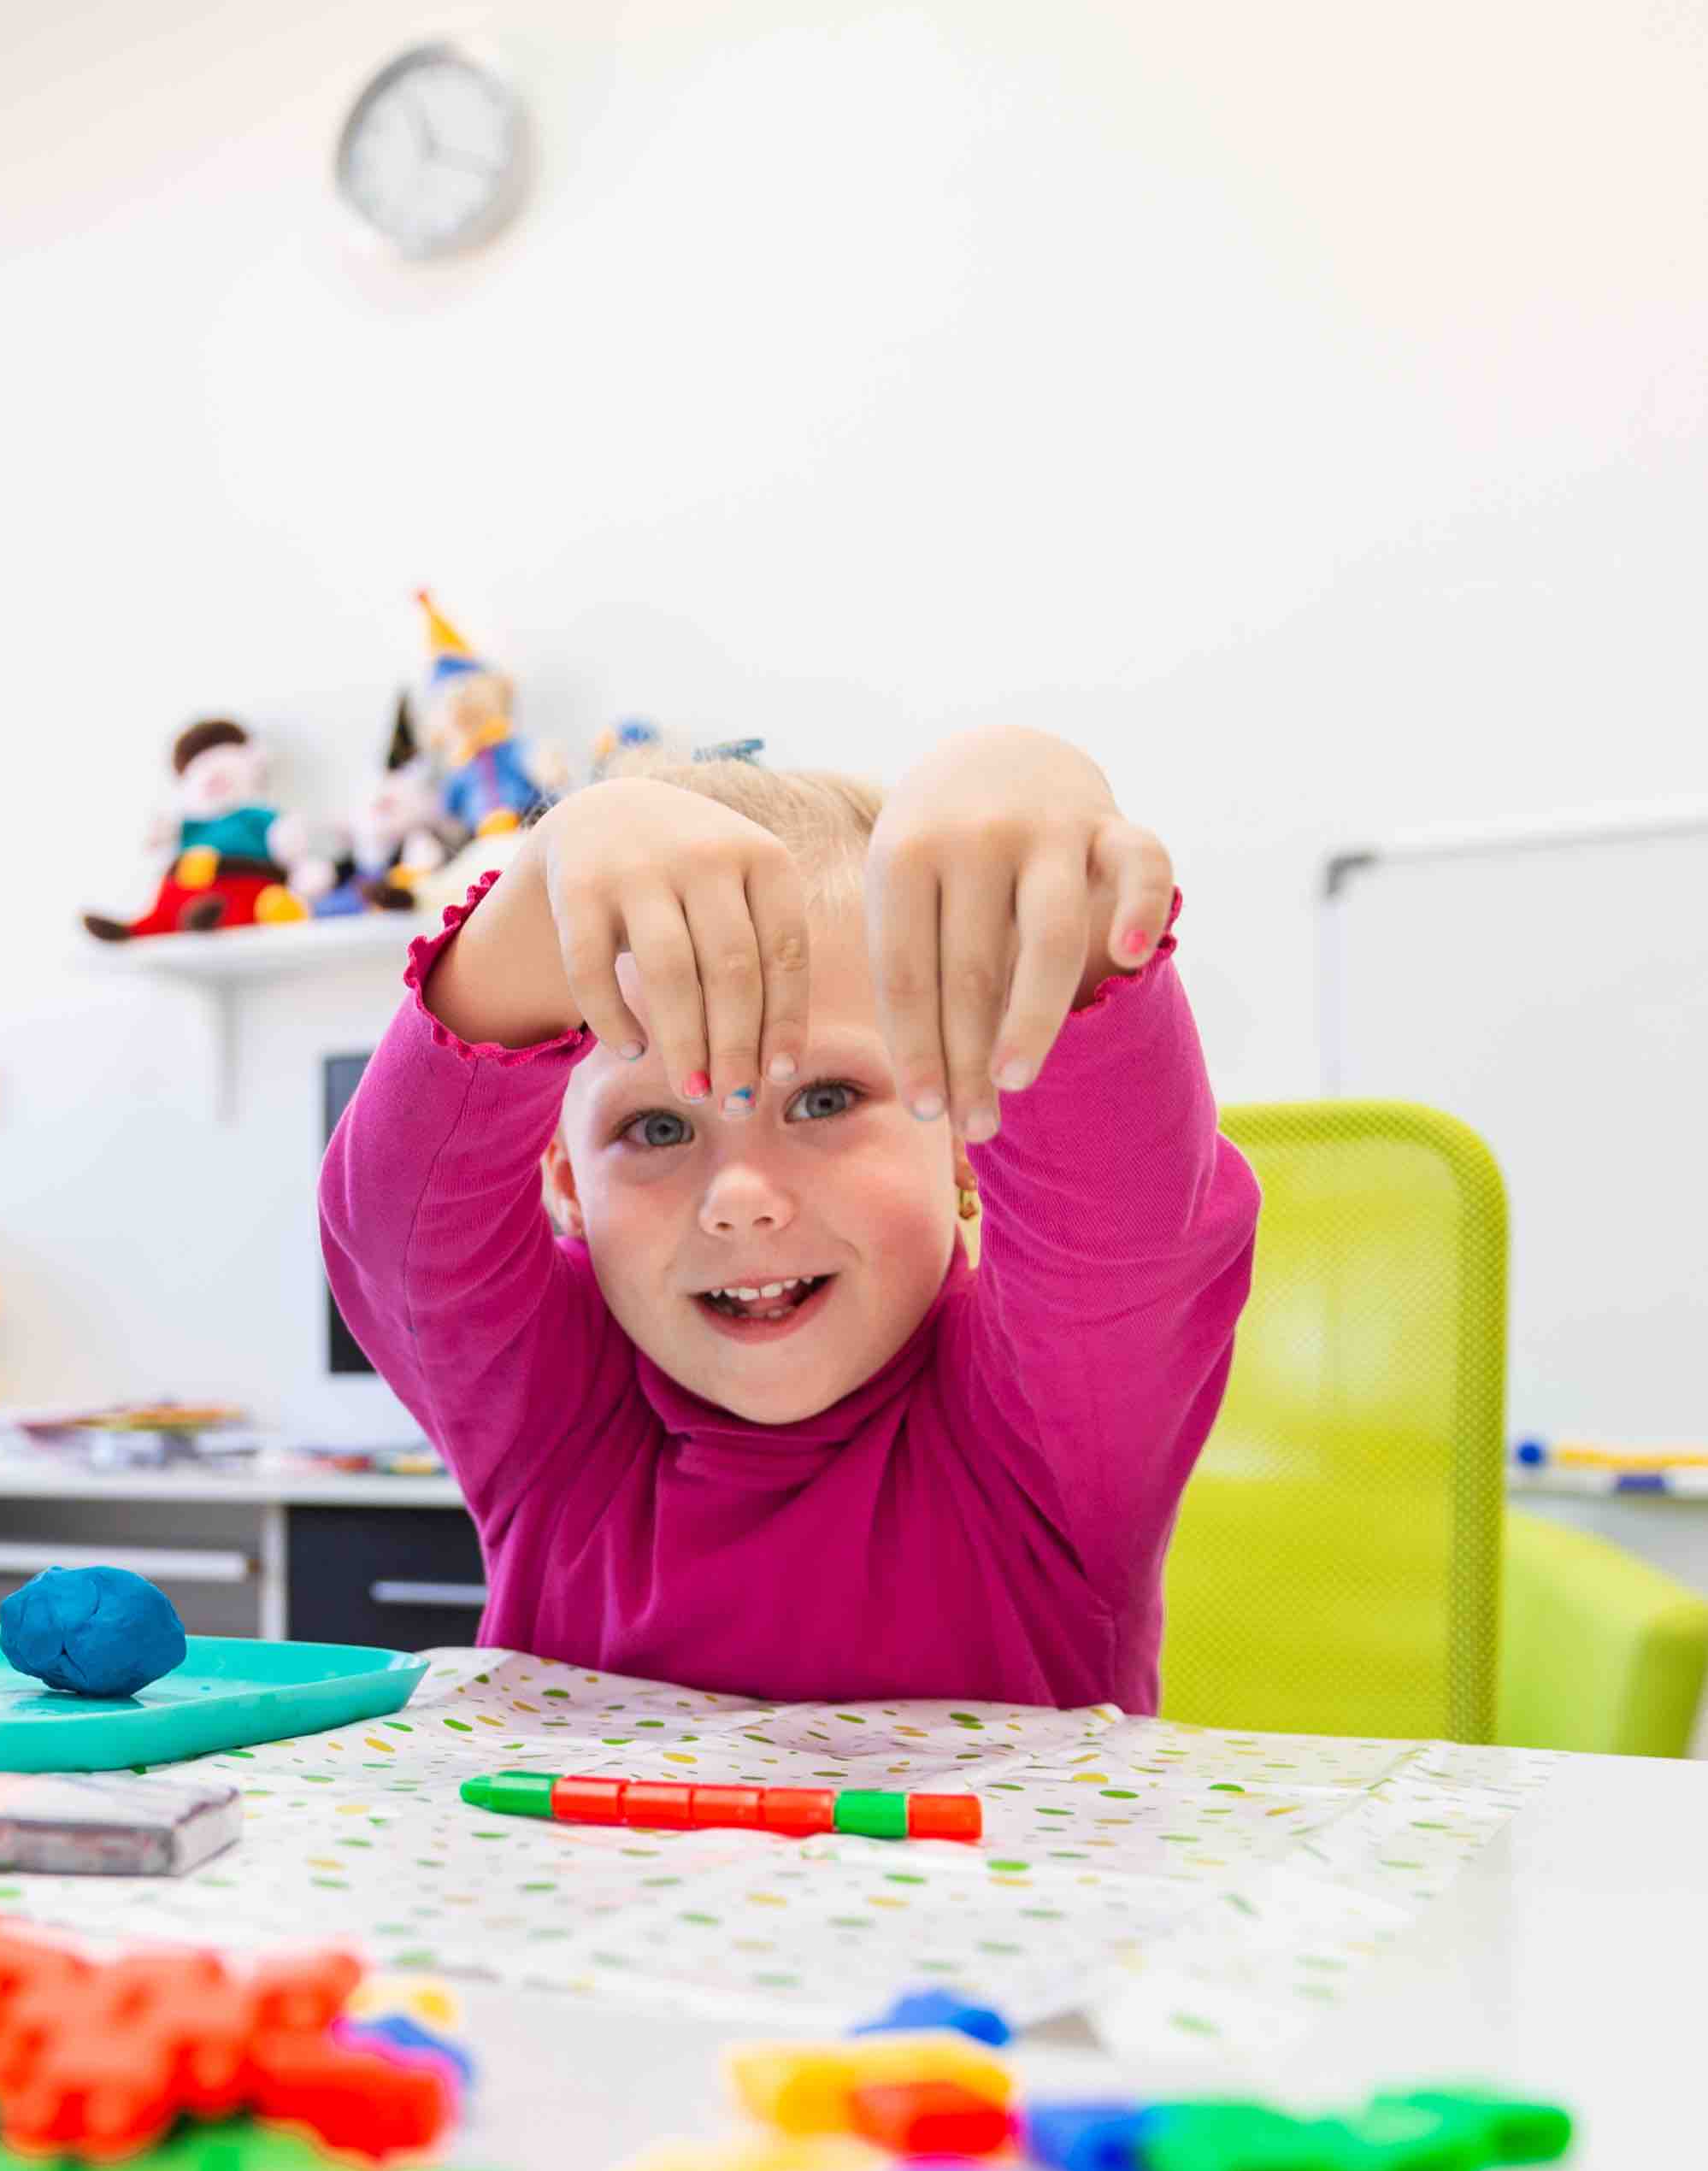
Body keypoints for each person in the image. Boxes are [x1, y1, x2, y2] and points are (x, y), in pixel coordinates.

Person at [319, 727, 1257, 1709]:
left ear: (961, 1143)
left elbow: (1123, 1229)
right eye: (654, 1126)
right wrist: (540, 888)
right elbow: (397, 1230)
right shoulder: (554, 1420)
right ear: (562, 1181)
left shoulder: (1048, 1434)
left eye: (823, 1101)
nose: (739, 1201)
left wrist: (1044, 875)